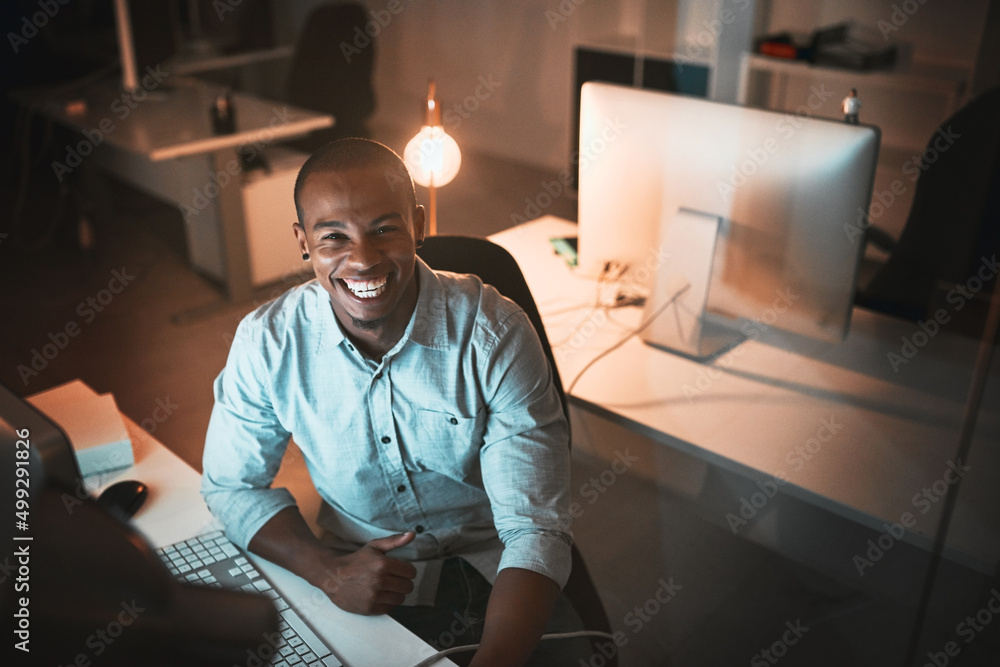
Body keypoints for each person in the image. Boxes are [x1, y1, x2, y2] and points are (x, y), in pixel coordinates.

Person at [201, 138, 593, 666]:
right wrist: (326, 570)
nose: (361, 259)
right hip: (357, 569)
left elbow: (534, 528)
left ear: (418, 224)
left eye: (384, 229)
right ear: (302, 241)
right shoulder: (268, 344)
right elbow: (230, 485)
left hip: (498, 564)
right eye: (333, 236)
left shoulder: (494, 333)